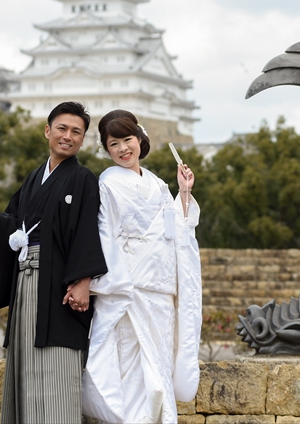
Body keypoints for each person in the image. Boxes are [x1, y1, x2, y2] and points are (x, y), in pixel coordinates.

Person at [0, 101, 108, 424]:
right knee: (25, 360)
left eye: (76, 132)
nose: (68, 136)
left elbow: (88, 231)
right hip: (26, 278)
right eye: (62, 128)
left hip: (60, 282)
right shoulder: (34, 178)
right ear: (47, 131)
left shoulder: (83, 179)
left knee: (57, 361)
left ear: (83, 139)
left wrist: (83, 281)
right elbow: (18, 223)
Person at [81, 110, 202, 424]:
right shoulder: (107, 182)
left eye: (127, 139)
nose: (123, 148)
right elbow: (104, 233)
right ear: (106, 149)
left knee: (158, 364)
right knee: (131, 367)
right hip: (128, 286)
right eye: (114, 144)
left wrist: (184, 191)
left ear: (140, 138)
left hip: (160, 289)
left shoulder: (159, 184)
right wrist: (113, 281)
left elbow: (174, 230)